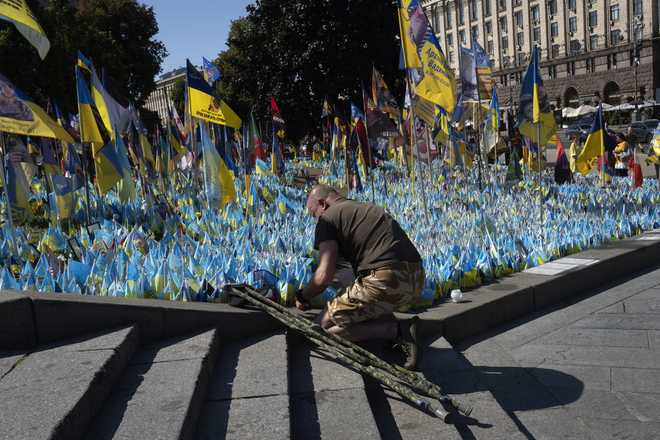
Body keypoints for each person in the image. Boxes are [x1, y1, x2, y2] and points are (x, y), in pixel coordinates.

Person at [296, 184, 425, 370]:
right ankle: (389, 325)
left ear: (322, 204)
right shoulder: (366, 208)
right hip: (416, 280)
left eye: (312, 213)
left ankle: (396, 330)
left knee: (319, 328)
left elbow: (324, 275)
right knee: (353, 306)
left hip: (385, 280)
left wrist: (302, 296)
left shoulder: (328, 219)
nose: (314, 219)